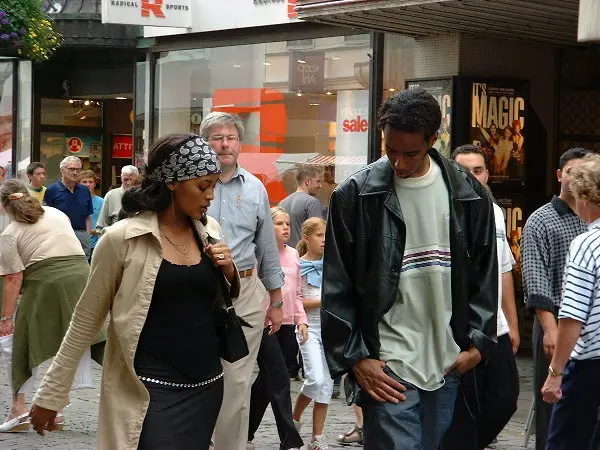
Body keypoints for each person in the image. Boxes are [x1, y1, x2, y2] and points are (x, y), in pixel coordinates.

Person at [29, 134, 239, 449]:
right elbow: (86, 318)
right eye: (202, 186)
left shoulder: (210, 231)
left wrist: (229, 272)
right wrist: (52, 392)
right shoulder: (122, 239)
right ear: (172, 182)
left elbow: (216, 304)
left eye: (213, 186)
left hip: (206, 386)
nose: (210, 196)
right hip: (148, 389)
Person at [321, 88, 498, 450]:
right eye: (390, 150)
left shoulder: (469, 194)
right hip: (387, 365)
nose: (399, 162)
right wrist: (356, 358)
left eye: (411, 153)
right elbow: (336, 284)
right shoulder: (356, 194)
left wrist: (478, 344)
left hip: (448, 362)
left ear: (434, 139)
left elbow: (485, 276)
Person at [201, 111, 284, 450]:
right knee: (197, 373)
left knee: (237, 382)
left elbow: (266, 246)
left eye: (230, 137)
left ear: (239, 143)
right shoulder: (189, 185)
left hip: (245, 292)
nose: (224, 144)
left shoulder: (255, 188)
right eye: (217, 137)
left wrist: (276, 301)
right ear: (205, 143)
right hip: (198, 289)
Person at [0, 180, 105, 433]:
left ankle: (19, 409)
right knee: (80, 342)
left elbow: (14, 280)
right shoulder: (57, 213)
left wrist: (6, 319)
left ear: (4, 206)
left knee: (20, 344)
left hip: (47, 283)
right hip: (82, 278)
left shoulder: (10, 234)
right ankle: (55, 410)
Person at [443, 145, 520, 450]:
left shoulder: (495, 212)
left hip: (494, 325)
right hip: (462, 326)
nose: (472, 177)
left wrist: (512, 323)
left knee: (505, 399)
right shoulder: (446, 210)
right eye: (464, 170)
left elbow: (502, 270)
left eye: (478, 170)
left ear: (488, 173)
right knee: (463, 407)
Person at [521, 147, 589, 450]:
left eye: (584, 174)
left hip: (591, 325)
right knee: (552, 400)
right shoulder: (542, 220)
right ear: (560, 175)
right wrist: (550, 330)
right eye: (572, 173)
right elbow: (536, 279)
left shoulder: (592, 217)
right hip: (555, 321)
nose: (577, 180)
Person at [541, 153, 600, 449]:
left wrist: (556, 372)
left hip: (591, 365)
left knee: (566, 443)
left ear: (585, 199)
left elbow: (573, 315)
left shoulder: (586, 244)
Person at [247, 206, 307, 450]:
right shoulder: (258, 255)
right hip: (264, 324)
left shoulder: (294, 255)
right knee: (280, 377)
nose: (285, 228)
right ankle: (290, 438)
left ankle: (245, 429)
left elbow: (299, 292)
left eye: (287, 224)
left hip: (288, 324)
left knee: (267, 380)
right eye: (279, 223)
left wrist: (301, 319)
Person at [293, 217, 332, 450]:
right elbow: (296, 300)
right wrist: (322, 303)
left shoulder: (332, 264)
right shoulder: (299, 265)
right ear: (306, 238)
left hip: (329, 330)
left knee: (326, 383)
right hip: (307, 327)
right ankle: (294, 420)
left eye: (326, 235)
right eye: (319, 235)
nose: (324, 240)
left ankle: (317, 438)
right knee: (315, 378)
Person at [44, 156, 93, 259]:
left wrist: (87, 236)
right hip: (59, 236)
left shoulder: (84, 190)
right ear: (62, 170)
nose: (75, 172)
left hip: (81, 237)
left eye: (78, 170)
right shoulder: (52, 190)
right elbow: (46, 218)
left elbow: (87, 216)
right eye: (71, 169)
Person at [280, 165, 324, 248]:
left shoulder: (282, 203)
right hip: (304, 256)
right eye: (318, 181)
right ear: (307, 181)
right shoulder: (312, 202)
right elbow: (318, 233)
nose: (320, 185)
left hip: (286, 255)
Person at [96, 165, 139, 234]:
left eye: (131, 180)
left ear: (137, 180)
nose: (128, 183)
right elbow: (101, 225)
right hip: (114, 238)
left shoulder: (142, 197)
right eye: (126, 179)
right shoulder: (111, 195)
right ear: (121, 178)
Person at [79, 170, 103, 261]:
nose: (87, 184)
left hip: (96, 244)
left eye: (90, 182)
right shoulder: (75, 200)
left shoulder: (102, 202)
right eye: (84, 182)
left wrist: (91, 231)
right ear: (79, 183)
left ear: (95, 184)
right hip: (79, 244)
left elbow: (104, 224)